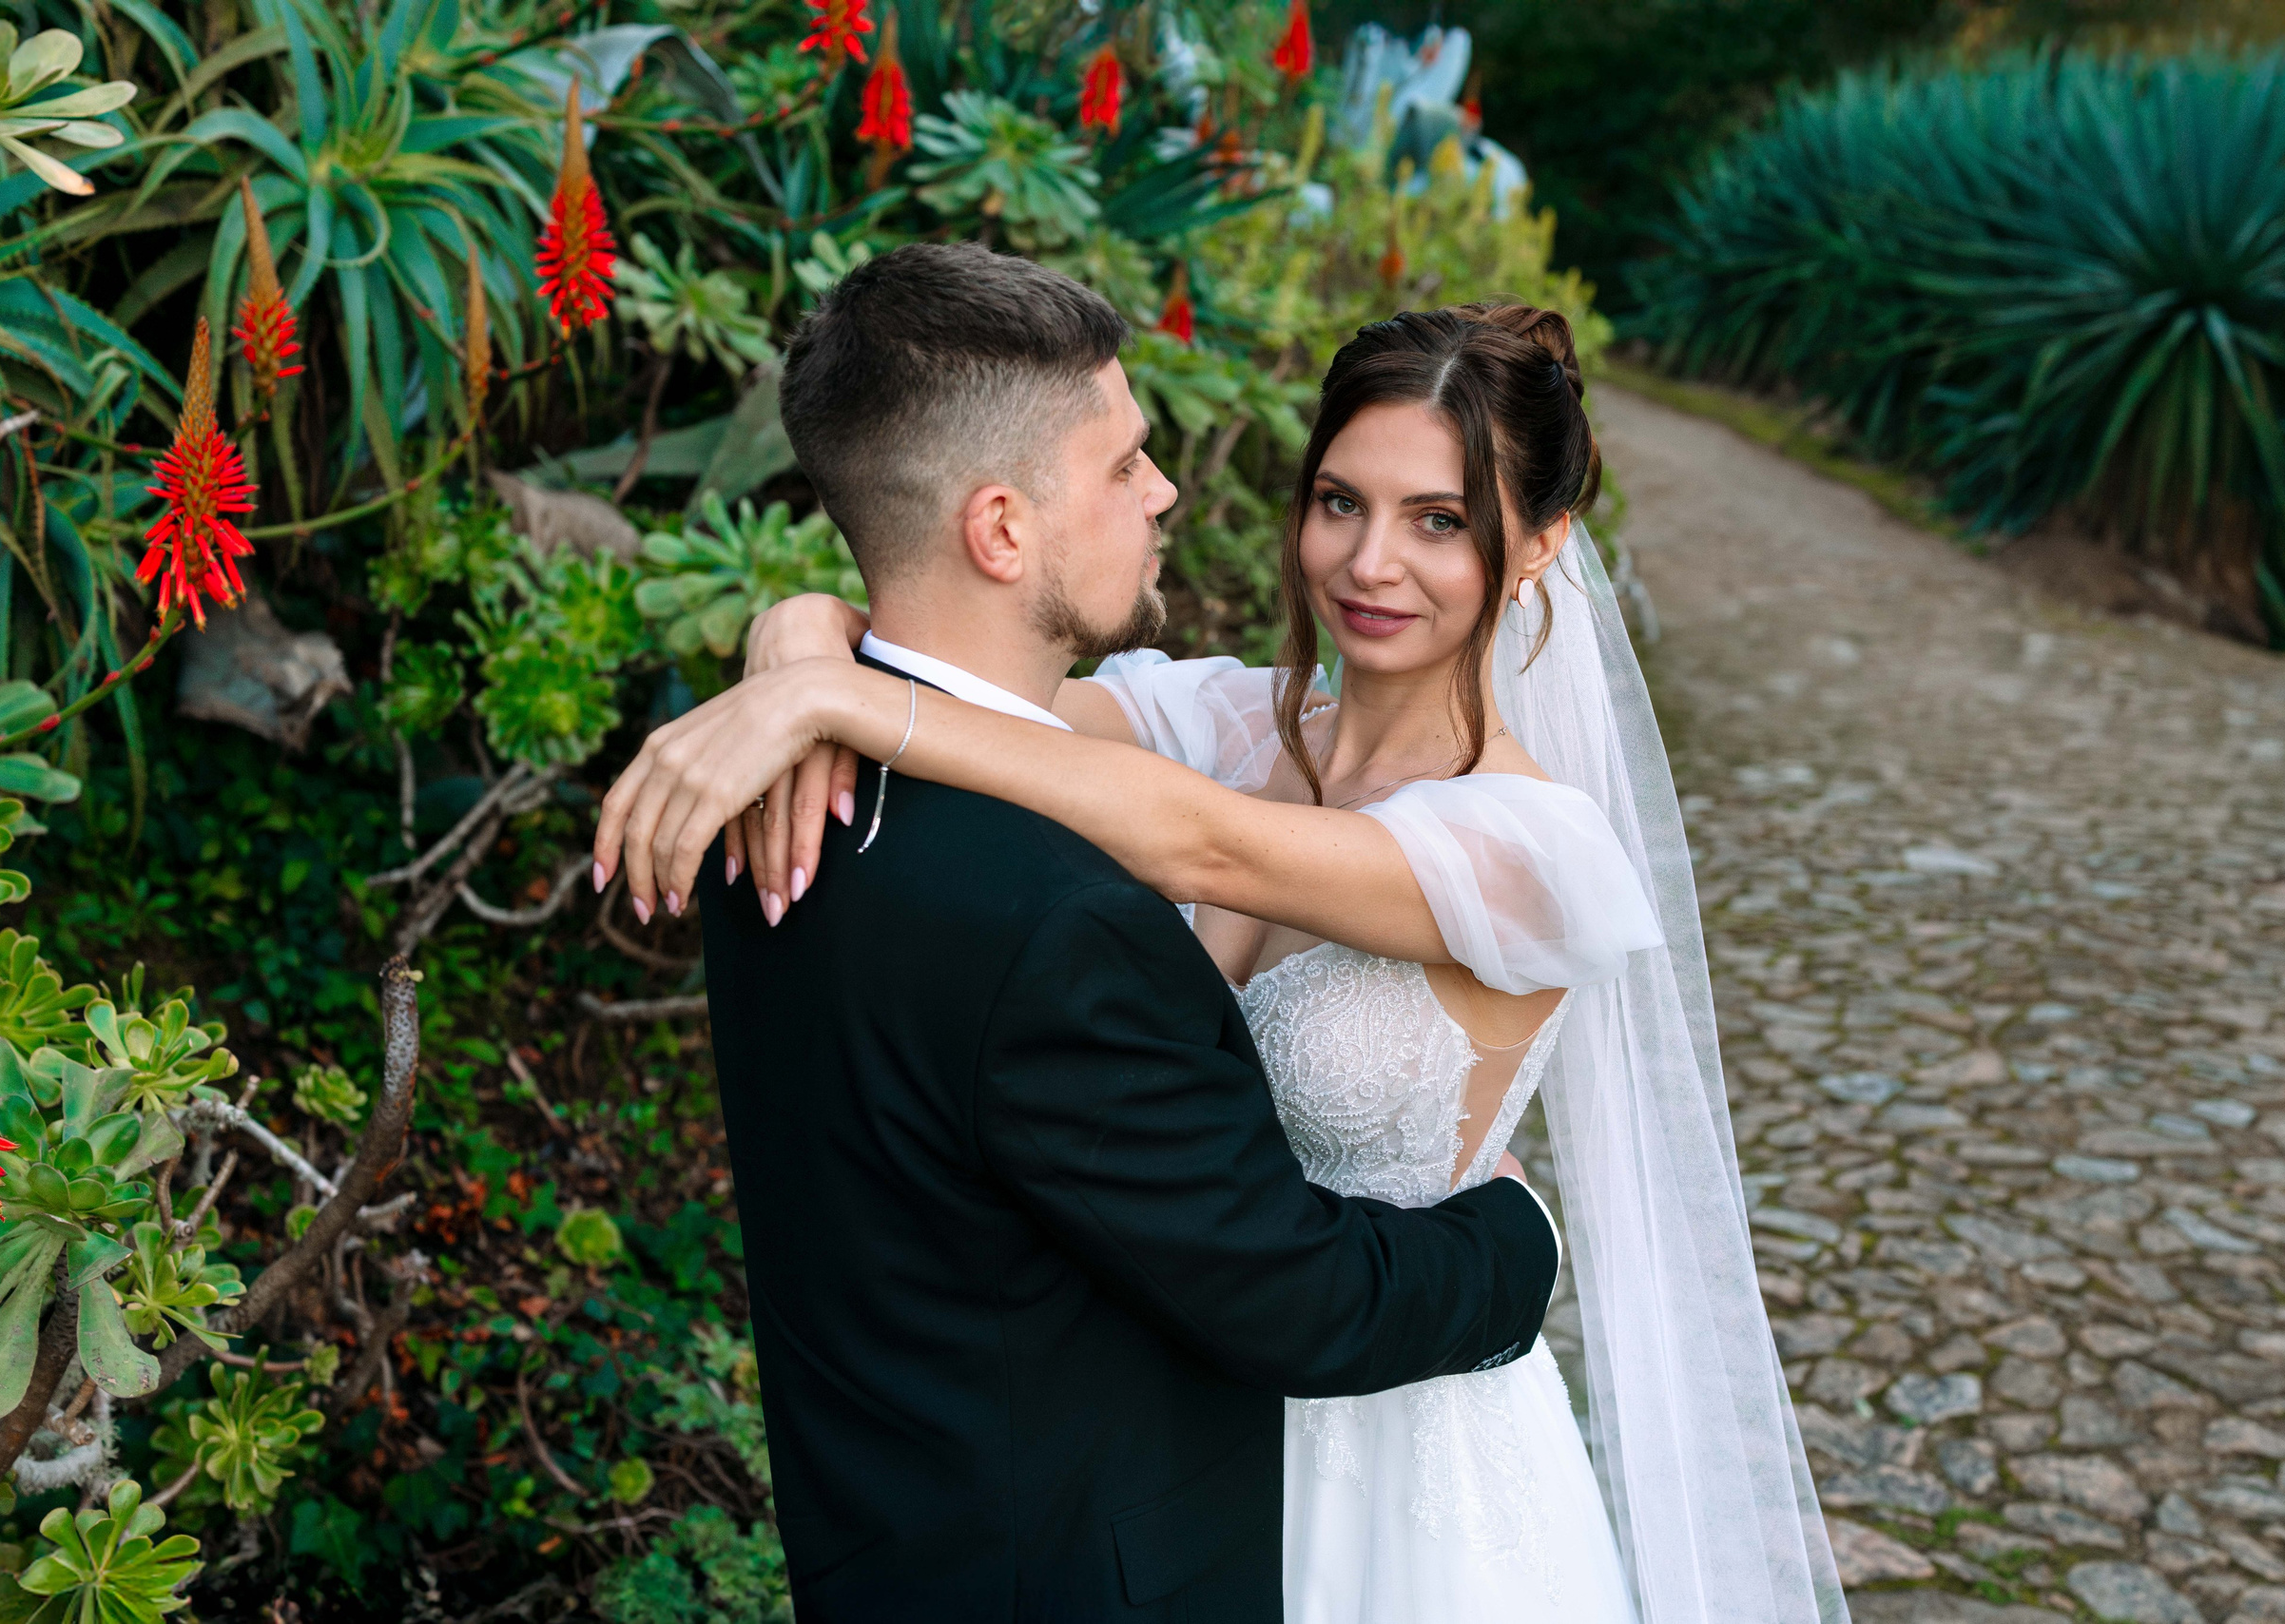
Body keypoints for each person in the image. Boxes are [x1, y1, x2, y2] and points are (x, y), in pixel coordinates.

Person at [599, 270, 1849, 1623]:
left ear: (1539, 544)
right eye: (1340, 503)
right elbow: (973, 675)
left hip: (1403, 1442)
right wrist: (799, 639)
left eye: (1440, 522)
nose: (1372, 563)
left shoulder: (1536, 848)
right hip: (1166, 1434)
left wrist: (827, 692)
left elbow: (1199, 844)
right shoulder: (1232, 721)